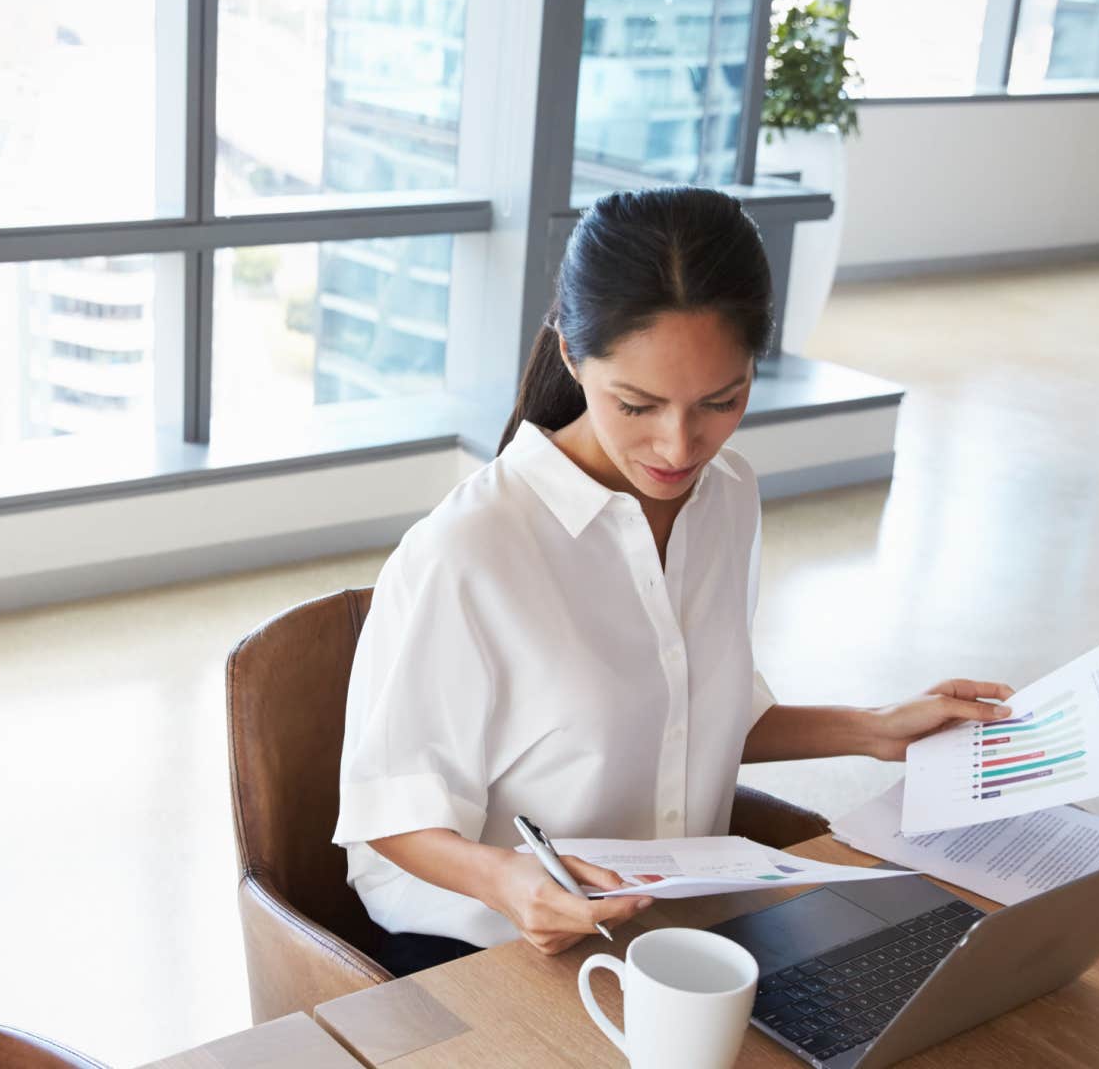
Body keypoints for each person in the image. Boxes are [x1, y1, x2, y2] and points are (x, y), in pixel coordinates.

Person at [331, 186, 1014, 979]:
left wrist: (876, 728)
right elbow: (388, 815)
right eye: (637, 404)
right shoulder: (468, 551)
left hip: (681, 932)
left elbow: (692, 717)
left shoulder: (728, 494)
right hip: (492, 951)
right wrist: (514, 882)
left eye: (722, 401)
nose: (679, 445)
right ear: (569, 355)